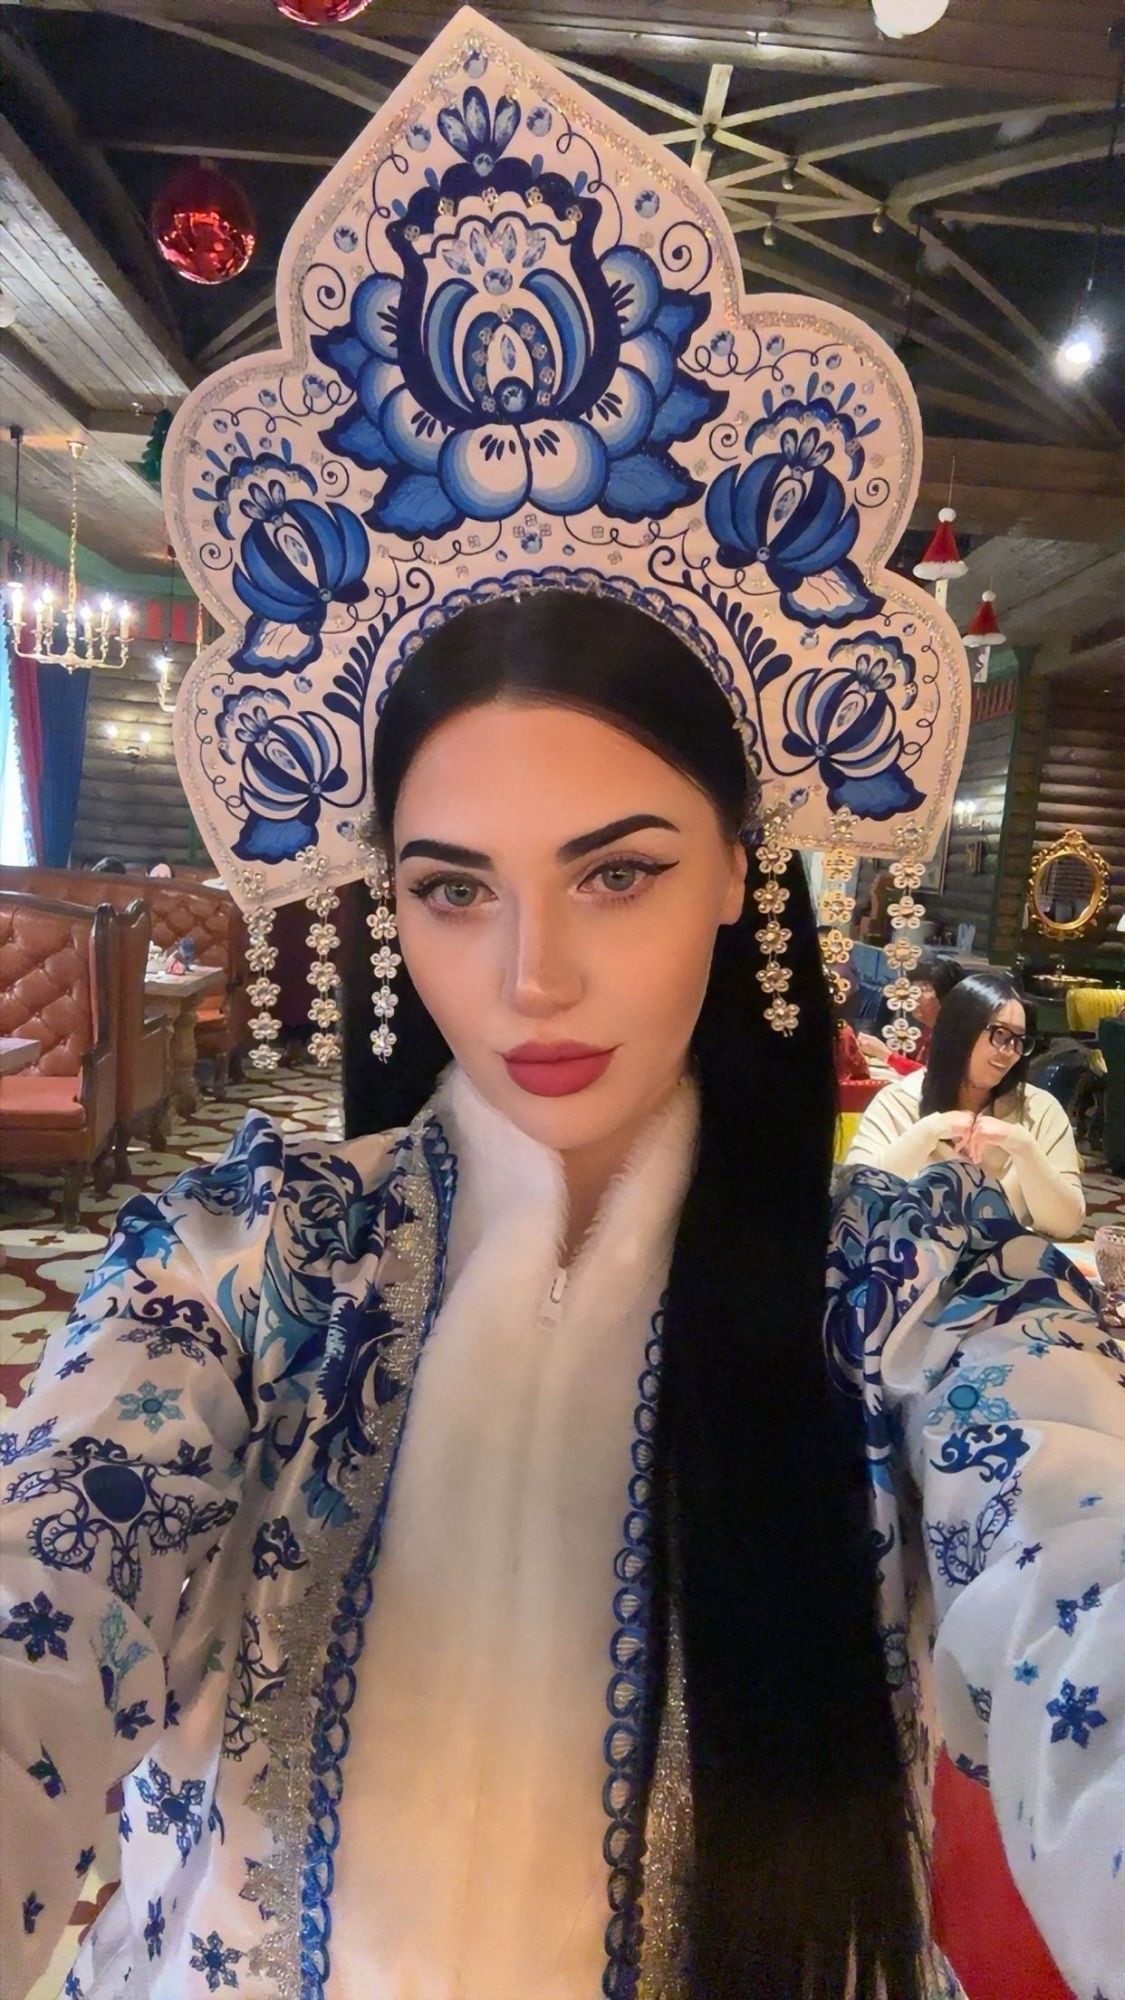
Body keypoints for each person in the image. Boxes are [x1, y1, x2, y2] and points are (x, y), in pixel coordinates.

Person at [2, 596, 1120, 2000]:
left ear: (736, 866)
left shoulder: (907, 1290)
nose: (531, 979)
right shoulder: (247, 1264)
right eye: (454, 889)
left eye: (617, 873)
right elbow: (41, 1583)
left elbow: (1080, 1553)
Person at [846, 971, 1085, 1238]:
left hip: (1000, 1260)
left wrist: (1022, 1146)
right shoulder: (898, 1101)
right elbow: (856, 1203)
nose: (1010, 1051)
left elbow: (1065, 1224)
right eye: (999, 1034)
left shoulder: (1039, 1110)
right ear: (959, 1031)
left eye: (1018, 1040)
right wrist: (927, 1132)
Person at [857, 953, 965, 1072]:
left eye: (922, 990)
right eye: (912, 989)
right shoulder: (926, 1030)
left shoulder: (955, 1038)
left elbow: (930, 1075)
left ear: (947, 995)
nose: (913, 997)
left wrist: (886, 1054)